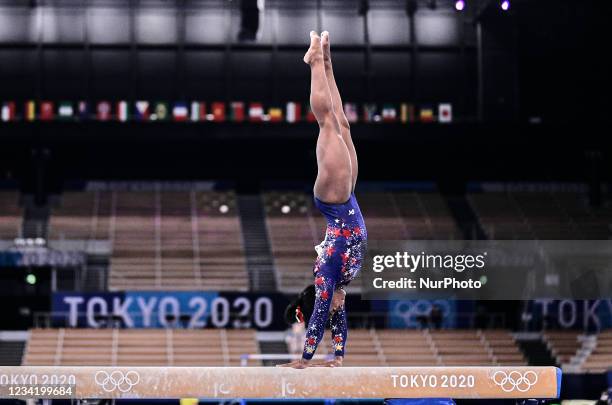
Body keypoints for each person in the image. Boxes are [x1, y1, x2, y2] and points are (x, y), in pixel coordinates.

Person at [279, 31, 367, 369]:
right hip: (348, 199)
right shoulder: (340, 286)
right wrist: (339, 357)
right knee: (342, 124)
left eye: (331, 308)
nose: (335, 312)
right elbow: (339, 325)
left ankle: (314, 62)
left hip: (333, 202)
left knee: (327, 123)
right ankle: (327, 61)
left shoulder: (326, 277)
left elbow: (318, 318)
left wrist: (304, 360)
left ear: (324, 298)